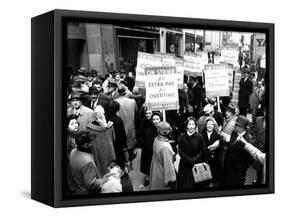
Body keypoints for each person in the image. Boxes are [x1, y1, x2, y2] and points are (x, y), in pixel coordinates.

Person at [219, 115, 254, 186]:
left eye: (237, 125)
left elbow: (250, 161)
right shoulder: (234, 133)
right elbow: (230, 143)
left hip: (236, 174)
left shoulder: (248, 140)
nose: (234, 125)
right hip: (227, 169)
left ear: (242, 128)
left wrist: (238, 168)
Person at [87, 105, 116, 177]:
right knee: (112, 172)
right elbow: (114, 138)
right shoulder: (110, 126)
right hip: (110, 152)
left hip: (98, 153)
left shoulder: (90, 128)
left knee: (102, 172)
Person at [178, 117, 205, 189]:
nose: (191, 126)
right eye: (189, 124)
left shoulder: (199, 137)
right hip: (185, 165)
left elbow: (202, 150)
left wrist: (194, 159)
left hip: (196, 164)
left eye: (193, 124)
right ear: (186, 125)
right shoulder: (182, 137)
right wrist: (188, 159)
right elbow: (180, 151)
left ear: (195, 126)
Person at [114, 86, 138, 168]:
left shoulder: (115, 102)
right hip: (131, 127)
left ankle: (125, 164)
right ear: (125, 92)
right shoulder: (132, 102)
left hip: (120, 127)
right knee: (131, 146)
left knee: (122, 148)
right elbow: (136, 113)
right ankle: (130, 161)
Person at [149, 121, 177, 190]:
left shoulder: (156, 139)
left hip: (155, 174)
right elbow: (168, 167)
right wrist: (172, 180)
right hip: (162, 177)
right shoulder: (165, 147)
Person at [137, 110, 161, 186]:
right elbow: (139, 135)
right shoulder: (143, 123)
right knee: (147, 164)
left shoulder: (157, 126)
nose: (148, 115)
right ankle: (148, 177)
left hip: (154, 148)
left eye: (149, 113)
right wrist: (144, 143)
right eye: (146, 113)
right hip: (147, 147)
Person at [201, 117, 221, 187]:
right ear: (206, 125)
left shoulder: (217, 136)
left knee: (214, 178)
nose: (209, 126)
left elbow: (220, 150)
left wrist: (216, 146)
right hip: (205, 160)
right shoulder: (201, 135)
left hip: (214, 161)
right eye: (208, 124)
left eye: (211, 124)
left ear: (213, 126)